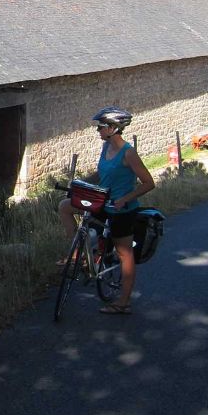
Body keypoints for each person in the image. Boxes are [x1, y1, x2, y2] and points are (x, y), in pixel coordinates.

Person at [57, 107, 155, 314]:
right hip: (103, 202)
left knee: (124, 254)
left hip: (122, 210)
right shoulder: (105, 148)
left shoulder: (128, 153)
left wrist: (124, 199)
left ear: (113, 128)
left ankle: (124, 302)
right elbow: (102, 176)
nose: (98, 130)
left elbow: (148, 183)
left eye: (101, 127)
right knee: (65, 207)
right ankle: (78, 254)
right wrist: (80, 185)